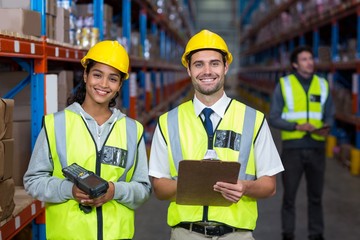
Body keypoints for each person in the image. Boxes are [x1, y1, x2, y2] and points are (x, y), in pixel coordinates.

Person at [148, 29, 284, 240]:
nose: (207, 71)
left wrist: (244, 186)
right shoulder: (168, 122)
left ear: (225, 67)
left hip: (237, 235)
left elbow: (269, 186)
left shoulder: (253, 120)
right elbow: (159, 188)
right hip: (186, 234)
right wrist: (192, 184)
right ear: (189, 70)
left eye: (214, 63)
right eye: (199, 64)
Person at [23, 40, 151, 240]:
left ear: (119, 86)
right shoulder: (56, 124)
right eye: (97, 75)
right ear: (85, 75)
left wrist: (114, 191)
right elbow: (33, 181)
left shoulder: (132, 130)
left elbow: (143, 189)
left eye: (113, 79)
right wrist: (69, 190)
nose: (103, 84)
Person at [269, 45, 334, 240]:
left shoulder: (322, 84)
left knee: (316, 196)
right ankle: (288, 234)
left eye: (311, 58)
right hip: (292, 150)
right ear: (295, 64)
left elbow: (330, 114)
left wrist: (325, 127)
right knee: (289, 196)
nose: (310, 62)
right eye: (304, 59)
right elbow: (273, 117)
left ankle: (316, 234)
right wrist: (296, 126)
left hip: (316, 147)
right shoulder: (284, 84)